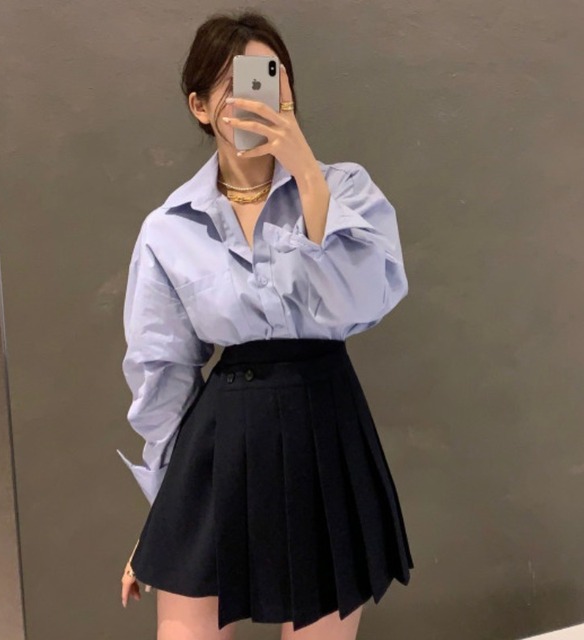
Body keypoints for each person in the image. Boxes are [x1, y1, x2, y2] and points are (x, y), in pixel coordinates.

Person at [117, 9, 414, 640]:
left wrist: (308, 177)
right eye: (236, 84)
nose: (260, 98)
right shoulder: (169, 228)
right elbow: (162, 375)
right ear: (200, 106)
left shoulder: (345, 191)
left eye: (269, 78)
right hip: (217, 445)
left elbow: (366, 300)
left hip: (324, 431)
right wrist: (163, 514)